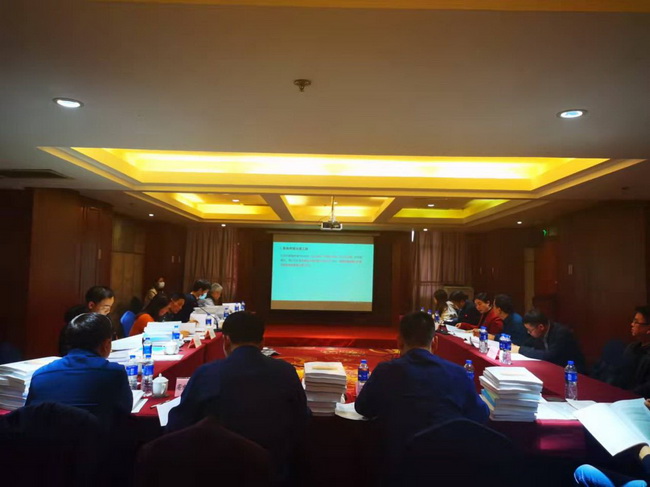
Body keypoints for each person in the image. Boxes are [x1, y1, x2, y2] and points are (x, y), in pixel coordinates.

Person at [167, 312, 310, 483]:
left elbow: (179, 423)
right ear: (262, 342)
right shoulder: (285, 371)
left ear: (226, 341)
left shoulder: (207, 373)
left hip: (216, 471)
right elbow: (302, 417)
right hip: (272, 468)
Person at [355, 311, 489, 476]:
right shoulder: (458, 373)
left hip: (397, 466)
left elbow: (363, 407)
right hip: (447, 467)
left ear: (399, 342)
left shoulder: (385, 371)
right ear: (435, 342)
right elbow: (480, 414)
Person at [27, 313, 132, 426]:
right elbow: (125, 413)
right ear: (106, 344)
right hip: (94, 436)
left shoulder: (39, 375)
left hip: (45, 437)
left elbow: (27, 416)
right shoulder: (114, 373)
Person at [511, 309, 586, 372]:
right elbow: (527, 344)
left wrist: (520, 349)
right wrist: (517, 347)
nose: (528, 332)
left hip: (572, 372)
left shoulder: (561, 333)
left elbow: (549, 356)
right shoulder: (539, 333)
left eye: (530, 330)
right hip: (553, 368)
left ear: (541, 327)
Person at [60, 286, 115, 355]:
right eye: (105, 306)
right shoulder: (77, 323)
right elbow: (66, 348)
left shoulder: (105, 318)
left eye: (110, 306)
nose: (108, 310)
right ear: (91, 305)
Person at [615, 306, 650, 397]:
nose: (632, 324)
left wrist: (628, 395)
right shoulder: (632, 347)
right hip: (621, 396)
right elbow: (620, 374)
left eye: (636, 322)